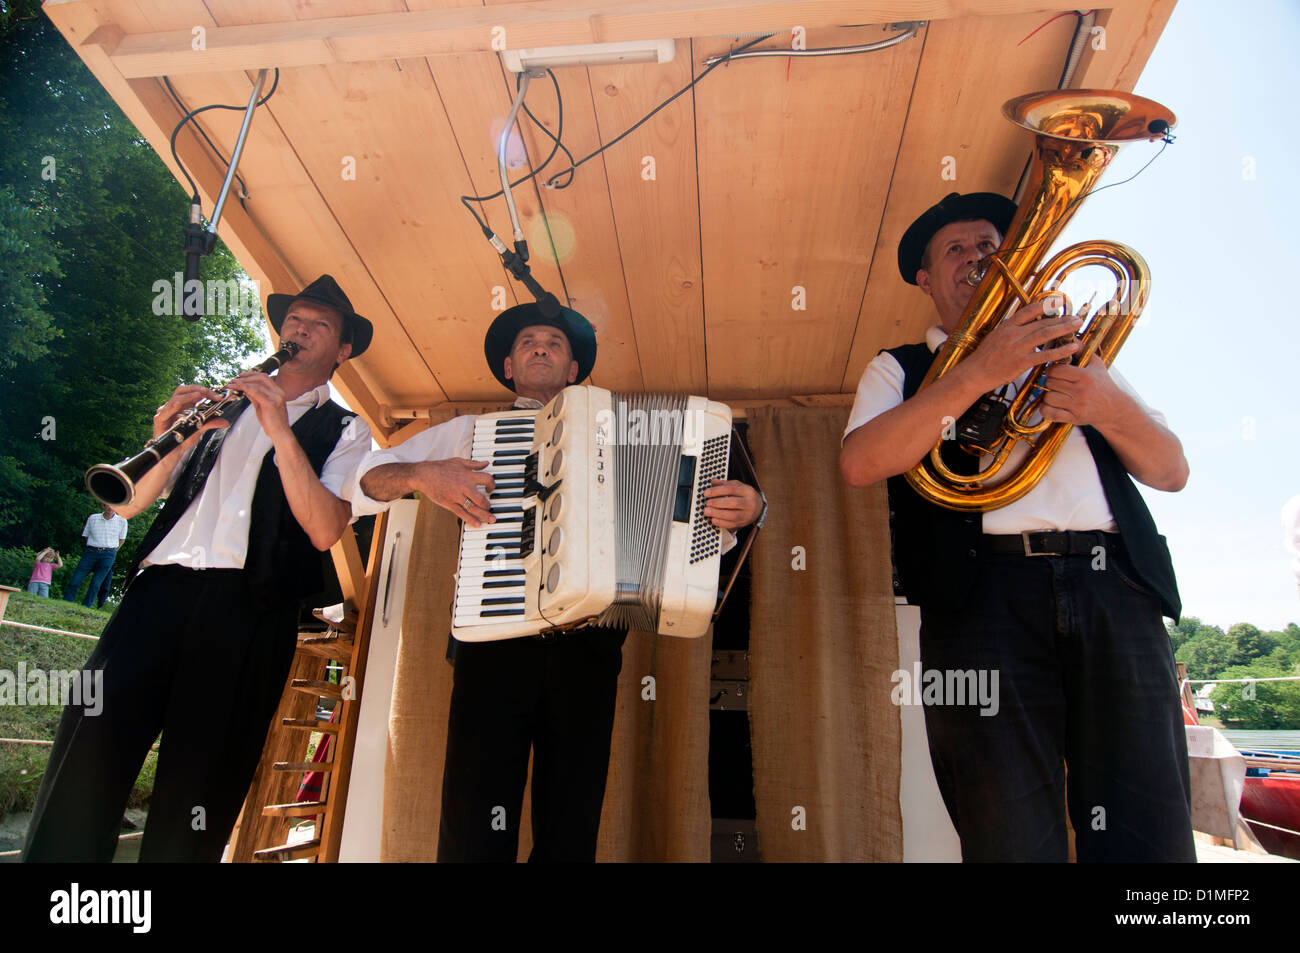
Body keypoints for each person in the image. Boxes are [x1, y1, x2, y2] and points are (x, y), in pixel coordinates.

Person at [840, 192, 1195, 862]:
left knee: (1151, 826)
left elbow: (1172, 470)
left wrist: (1108, 406)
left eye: (990, 244)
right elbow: (861, 461)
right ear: (925, 280)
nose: (977, 255)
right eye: (956, 249)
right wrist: (980, 371)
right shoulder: (899, 367)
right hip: (982, 603)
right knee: (1006, 834)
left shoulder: (1079, 349)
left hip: (1115, 586)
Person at [351, 301, 764, 862]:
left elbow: (695, 531)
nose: (541, 347)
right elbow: (366, 482)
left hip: (588, 655)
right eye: (528, 342)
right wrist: (423, 474)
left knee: (571, 830)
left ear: (573, 370)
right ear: (508, 367)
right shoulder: (468, 432)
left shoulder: (626, 434)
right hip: (492, 649)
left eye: (554, 342)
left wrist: (745, 510)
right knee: (473, 823)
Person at [23, 275, 374, 863]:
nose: (299, 329)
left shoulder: (347, 430)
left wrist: (280, 431)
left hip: (249, 611)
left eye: (319, 325)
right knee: (87, 754)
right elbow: (128, 505)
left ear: (341, 351)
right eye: (293, 320)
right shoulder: (224, 405)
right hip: (155, 597)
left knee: (201, 785)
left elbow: (323, 527)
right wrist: (169, 440)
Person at [62, 505, 127, 607]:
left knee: (96, 584)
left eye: (113, 507)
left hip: (108, 553)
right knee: (76, 579)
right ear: (103, 506)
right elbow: (86, 535)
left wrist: (112, 552)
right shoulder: (93, 518)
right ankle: (67, 602)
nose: (110, 509)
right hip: (91, 551)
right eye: (108, 506)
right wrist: (94, 546)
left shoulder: (122, 521)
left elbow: (121, 540)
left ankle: (86, 606)